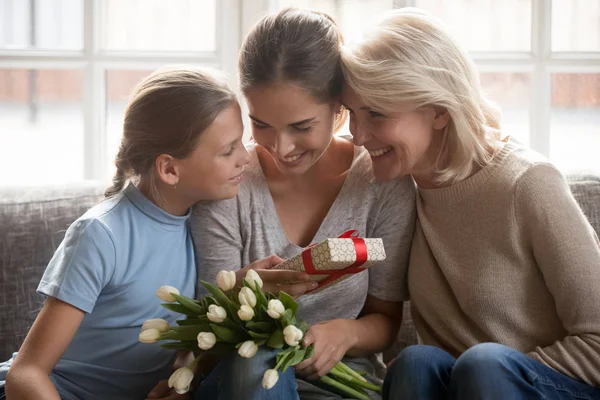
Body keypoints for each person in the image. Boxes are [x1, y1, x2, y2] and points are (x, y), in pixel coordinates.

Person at [340, 7, 600, 400]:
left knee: (484, 366)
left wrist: (488, 378)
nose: (357, 136)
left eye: (375, 113)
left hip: (549, 387)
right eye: (350, 114)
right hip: (469, 385)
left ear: (439, 111)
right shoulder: (397, 190)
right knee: (416, 363)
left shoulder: (528, 184)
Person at [190, 8, 416, 400]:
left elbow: (386, 319)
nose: (280, 148)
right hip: (245, 383)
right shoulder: (228, 184)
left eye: (301, 126)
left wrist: (345, 333)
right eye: (261, 124)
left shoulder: (382, 184)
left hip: (344, 384)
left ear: (339, 107)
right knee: (256, 364)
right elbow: (206, 332)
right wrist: (240, 294)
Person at [3, 66, 252, 400]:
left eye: (242, 142)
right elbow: (27, 375)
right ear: (169, 169)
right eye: (228, 150)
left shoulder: (203, 224)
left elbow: (184, 339)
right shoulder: (101, 235)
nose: (245, 158)